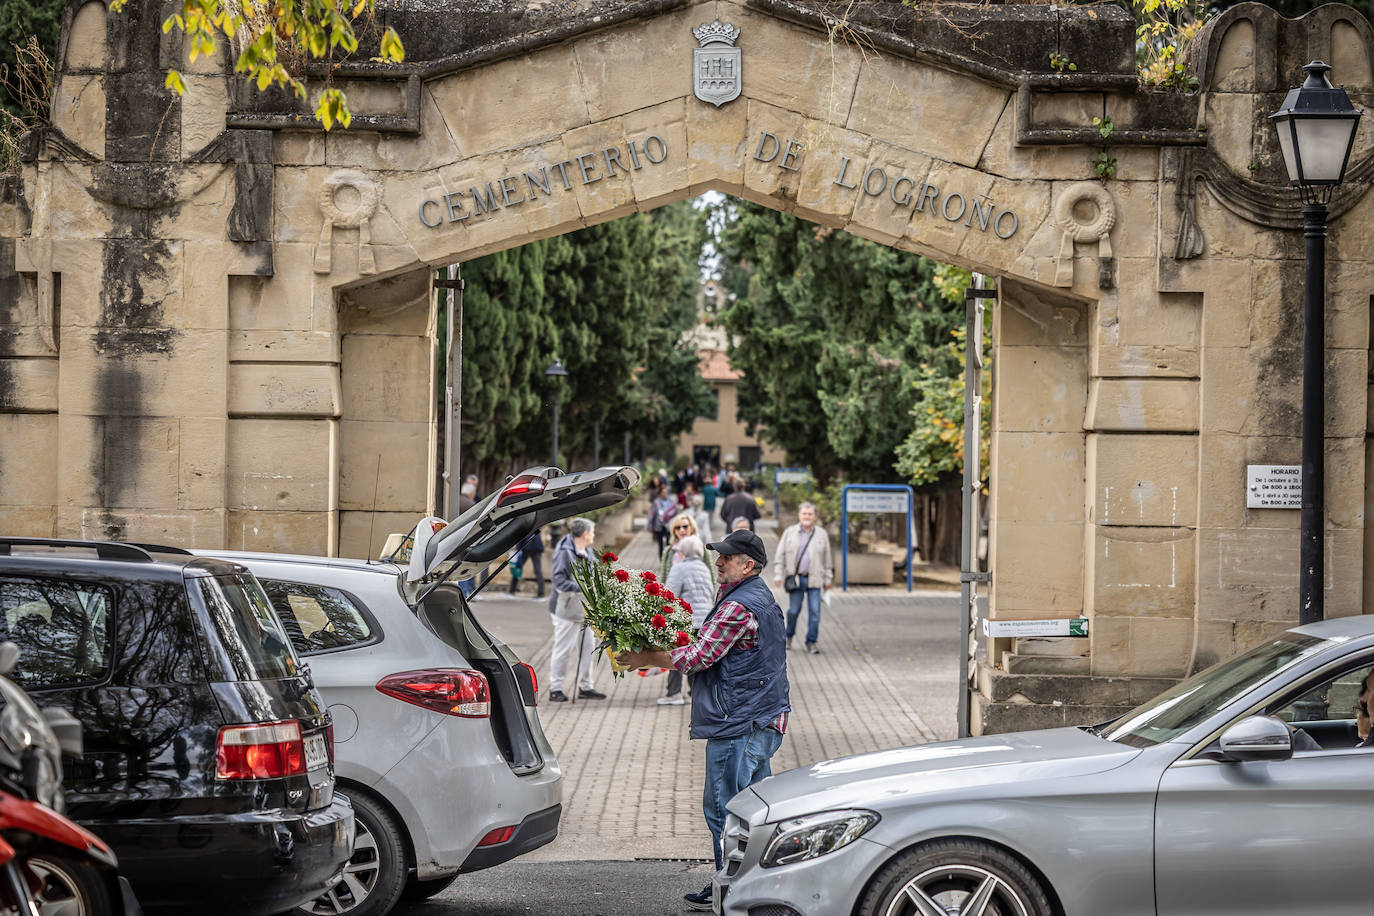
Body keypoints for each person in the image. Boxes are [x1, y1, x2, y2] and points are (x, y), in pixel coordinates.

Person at [616, 529, 790, 911]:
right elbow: (713, 645)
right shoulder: (756, 595)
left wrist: (647, 657)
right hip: (763, 718)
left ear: (748, 565)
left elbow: (699, 657)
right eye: (718, 555)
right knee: (757, 809)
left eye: (726, 557)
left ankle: (730, 891)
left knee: (725, 809)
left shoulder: (738, 605)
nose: (718, 561)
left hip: (739, 724)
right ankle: (757, 886)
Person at [546, 518, 607, 702]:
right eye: (592, 532)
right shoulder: (564, 552)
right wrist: (584, 587)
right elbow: (558, 581)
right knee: (563, 649)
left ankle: (586, 687)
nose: (594, 535)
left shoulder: (587, 550)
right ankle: (555, 688)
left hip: (584, 609)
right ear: (585, 534)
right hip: (565, 608)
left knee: (588, 648)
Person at [659, 534, 715, 706]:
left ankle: (674, 693)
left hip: (686, 620)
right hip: (704, 620)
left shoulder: (679, 568)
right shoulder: (704, 568)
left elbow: (669, 595)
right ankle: (697, 693)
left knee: (677, 656)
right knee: (695, 658)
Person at [773, 501, 833, 653]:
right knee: (793, 611)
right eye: (804, 514)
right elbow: (780, 555)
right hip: (796, 580)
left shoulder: (822, 534)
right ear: (799, 515)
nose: (807, 516)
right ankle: (788, 636)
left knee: (815, 613)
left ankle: (811, 641)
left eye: (810, 514)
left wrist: (828, 578)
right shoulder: (790, 532)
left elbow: (828, 559)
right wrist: (778, 575)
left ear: (815, 516)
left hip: (815, 579)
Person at [508, 527, 545, 597]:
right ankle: (541, 594)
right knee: (537, 571)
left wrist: (518, 547)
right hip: (534, 548)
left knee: (518, 569)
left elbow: (521, 535)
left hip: (527, 547)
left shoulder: (525, 523)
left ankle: (511, 591)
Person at [650, 485, 679, 557]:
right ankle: (661, 559)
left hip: (669, 526)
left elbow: (675, 512)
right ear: (660, 493)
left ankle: (668, 559)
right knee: (660, 544)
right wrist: (650, 526)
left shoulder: (671, 502)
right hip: (659, 526)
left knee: (669, 544)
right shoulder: (656, 502)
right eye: (663, 492)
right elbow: (652, 514)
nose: (664, 494)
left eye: (666, 492)